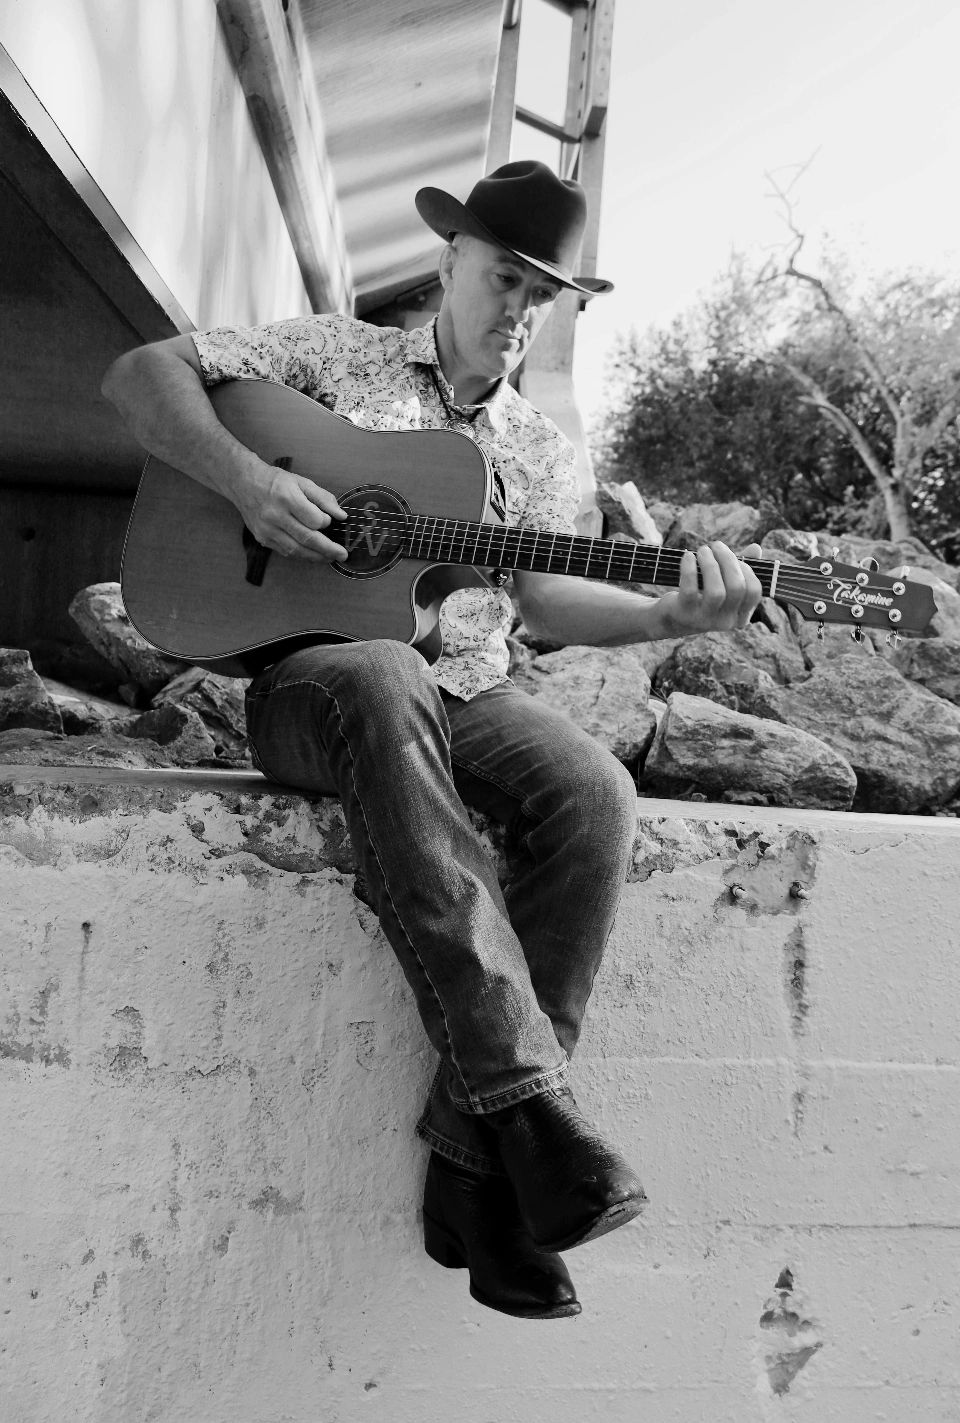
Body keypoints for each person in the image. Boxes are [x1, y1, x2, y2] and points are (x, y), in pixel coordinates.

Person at [102, 160, 762, 1321]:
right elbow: (140, 374)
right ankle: (527, 1109)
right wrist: (253, 483)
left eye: (544, 295)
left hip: (466, 694)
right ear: (452, 261)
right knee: (385, 662)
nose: (519, 310)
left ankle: (480, 1175)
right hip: (319, 688)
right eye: (505, 277)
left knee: (594, 788)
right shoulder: (332, 355)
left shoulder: (542, 449)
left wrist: (668, 613)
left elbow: (549, 606)